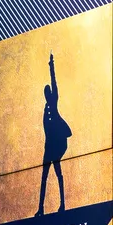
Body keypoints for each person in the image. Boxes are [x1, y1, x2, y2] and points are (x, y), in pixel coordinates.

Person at [37, 52, 72, 216]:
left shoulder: (54, 102)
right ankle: (41, 208)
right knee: (44, 177)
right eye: (45, 93)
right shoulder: (45, 110)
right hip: (48, 147)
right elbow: (46, 130)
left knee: (58, 174)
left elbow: (54, 80)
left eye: (48, 92)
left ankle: (62, 204)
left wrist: (51, 65)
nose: (47, 95)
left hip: (57, 145)